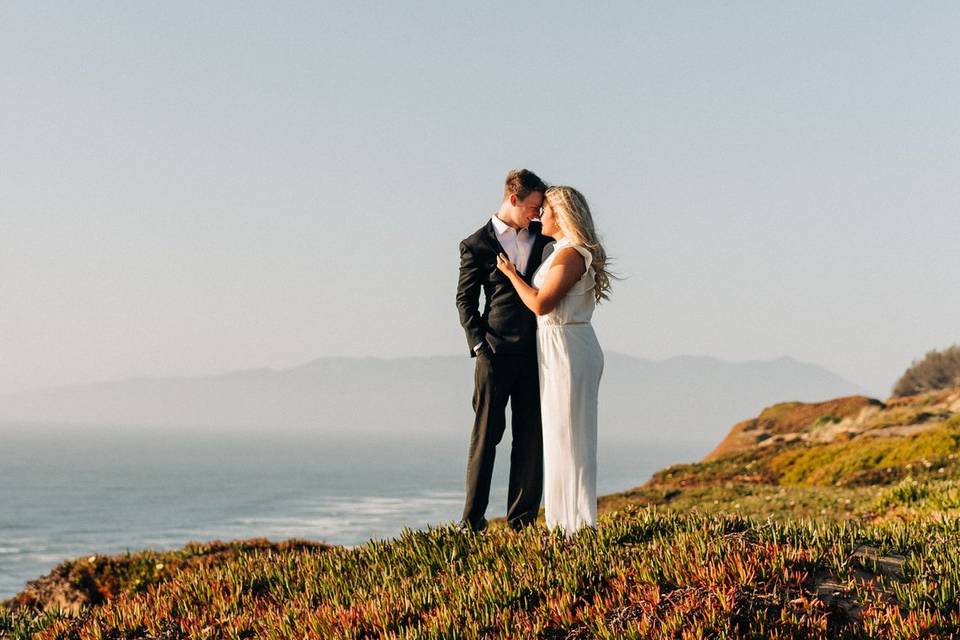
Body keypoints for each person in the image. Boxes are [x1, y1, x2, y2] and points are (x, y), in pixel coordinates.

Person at [495, 185, 611, 535]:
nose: (539, 215)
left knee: (571, 434)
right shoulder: (558, 251)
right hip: (556, 344)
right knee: (559, 434)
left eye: (545, 210)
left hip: (568, 345)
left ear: (560, 214)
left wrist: (512, 275)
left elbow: (542, 304)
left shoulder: (572, 254)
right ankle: (561, 523)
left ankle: (577, 524)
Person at [456, 169, 553, 532]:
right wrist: (480, 345)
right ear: (513, 199)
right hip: (493, 355)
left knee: (530, 439)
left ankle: (522, 522)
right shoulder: (476, 244)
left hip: (535, 355)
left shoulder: (544, 238)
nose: (537, 214)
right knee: (486, 437)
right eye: (533, 206)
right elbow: (464, 300)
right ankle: (471, 523)